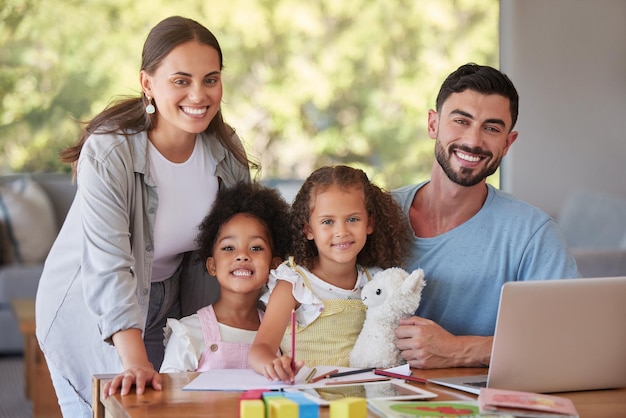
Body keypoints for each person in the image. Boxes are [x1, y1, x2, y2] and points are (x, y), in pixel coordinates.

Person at [35, 16, 255, 417]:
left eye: (210, 79)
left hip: (171, 302)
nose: (199, 94)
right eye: (181, 80)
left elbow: (249, 243)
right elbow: (108, 265)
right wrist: (134, 361)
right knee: (118, 407)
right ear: (148, 83)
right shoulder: (109, 152)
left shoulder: (226, 151)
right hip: (91, 307)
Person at [391, 63, 580, 370]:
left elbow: (570, 339)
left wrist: (460, 349)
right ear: (432, 124)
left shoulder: (532, 233)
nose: (474, 141)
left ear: (507, 143)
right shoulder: (373, 216)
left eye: (491, 128)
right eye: (461, 121)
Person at [249, 165, 413, 383]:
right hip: (308, 401)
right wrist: (272, 364)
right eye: (328, 222)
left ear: (370, 223)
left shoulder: (377, 282)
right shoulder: (294, 284)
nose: (341, 231)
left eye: (353, 219)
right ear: (308, 229)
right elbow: (261, 348)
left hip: (364, 402)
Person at [159, 182, 291, 373]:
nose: (242, 255)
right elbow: (169, 399)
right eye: (229, 248)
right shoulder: (189, 333)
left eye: (256, 247)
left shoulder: (280, 333)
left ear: (274, 265)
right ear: (212, 266)